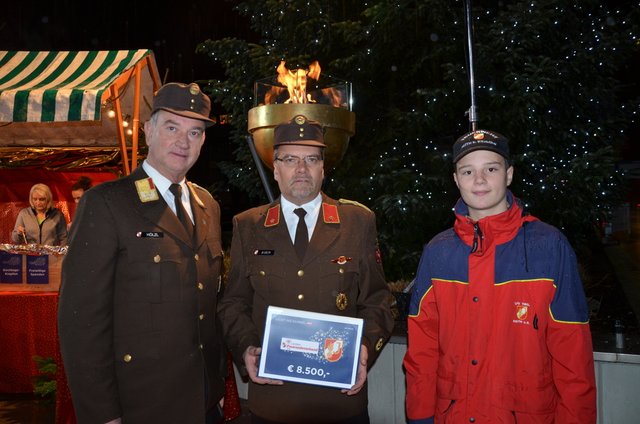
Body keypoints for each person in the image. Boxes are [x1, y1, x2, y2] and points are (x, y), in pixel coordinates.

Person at [58, 82, 227, 424]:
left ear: (203, 141)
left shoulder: (206, 204)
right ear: (148, 130)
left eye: (195, 132)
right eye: (171, 127)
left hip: (204, 402)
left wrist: (216, 394)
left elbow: (209, 304)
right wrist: (103, 414)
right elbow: (81, 321)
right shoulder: (107, 203)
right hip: (141, 406)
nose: (184, 141)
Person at [403, 130, 597, 423]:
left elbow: (573, 353)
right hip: (453, 414)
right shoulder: (437, 251)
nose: (479, 180)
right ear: (456, 179)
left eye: (490, 169)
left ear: (508, 174)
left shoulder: (548, 246)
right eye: (468, 171)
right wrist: (420, 415)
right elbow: (422, 347)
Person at [218, 114, 394, 423]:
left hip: (339, 402)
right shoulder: (248, 226)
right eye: (290, 159)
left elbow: (379, 301)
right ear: (276, 169)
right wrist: (246, 349)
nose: (301, 169)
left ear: (323, 169)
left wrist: (365, 350)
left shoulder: (357, 222)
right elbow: (233, 303)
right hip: (273, 401)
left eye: (311, 159)